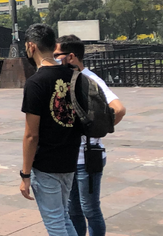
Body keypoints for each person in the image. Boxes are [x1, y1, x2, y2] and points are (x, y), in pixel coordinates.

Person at [55, 35, 127, 236]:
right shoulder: (64, 80)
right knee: (73, 210)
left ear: (70, 57)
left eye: (56, 55)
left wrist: (96, 130)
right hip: (69, 157)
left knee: (90, 209)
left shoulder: (90, 80)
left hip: (88, 156)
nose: (53, 60)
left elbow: (119, 109)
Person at [19, 24, 81, 236]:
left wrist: (25, 174)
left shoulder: (36, 82)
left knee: (55, 224)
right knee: (63, 217)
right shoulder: (74, 76)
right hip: (70, 159)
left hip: (46, 164)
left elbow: (31, 135)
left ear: (31, 46)